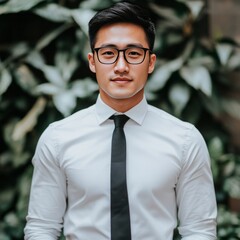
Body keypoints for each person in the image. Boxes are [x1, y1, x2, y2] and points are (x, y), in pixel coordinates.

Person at [24, 2, 217, 239]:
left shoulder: (185, 140)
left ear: (151, 62)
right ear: (92, 61)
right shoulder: (57, 138)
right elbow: (42, 228)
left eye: (134, 53)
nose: (121, 66)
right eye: (108, 53)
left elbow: (199, 231)